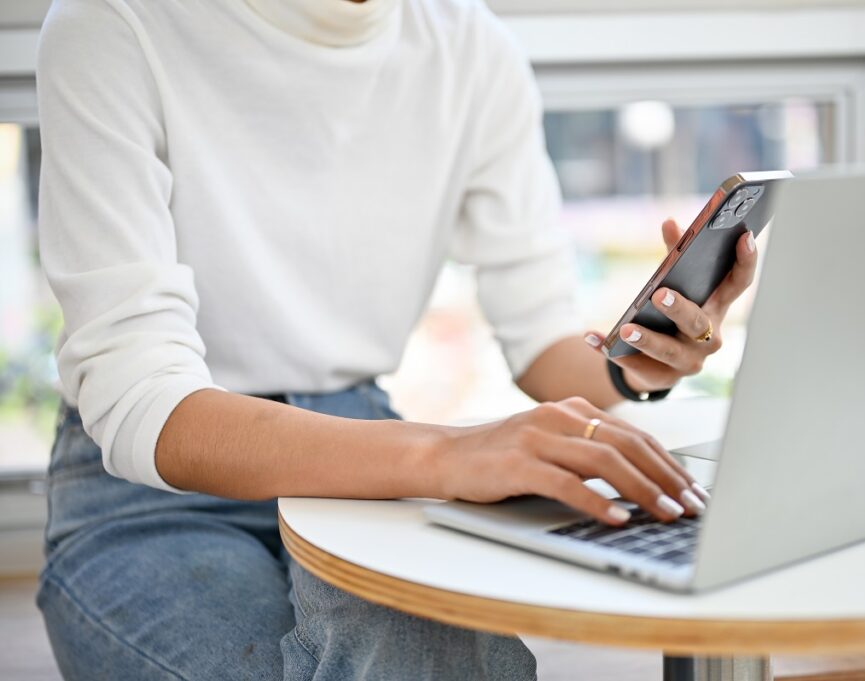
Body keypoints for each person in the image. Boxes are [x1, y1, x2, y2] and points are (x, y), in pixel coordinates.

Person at [33, 0, 757, 678]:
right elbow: (144, 403)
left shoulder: (468, 44)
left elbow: (543, 344)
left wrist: (645, 358)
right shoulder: (115, 22)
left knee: (433, 647)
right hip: (153, 495)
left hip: (367, 451)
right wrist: (450, 451)